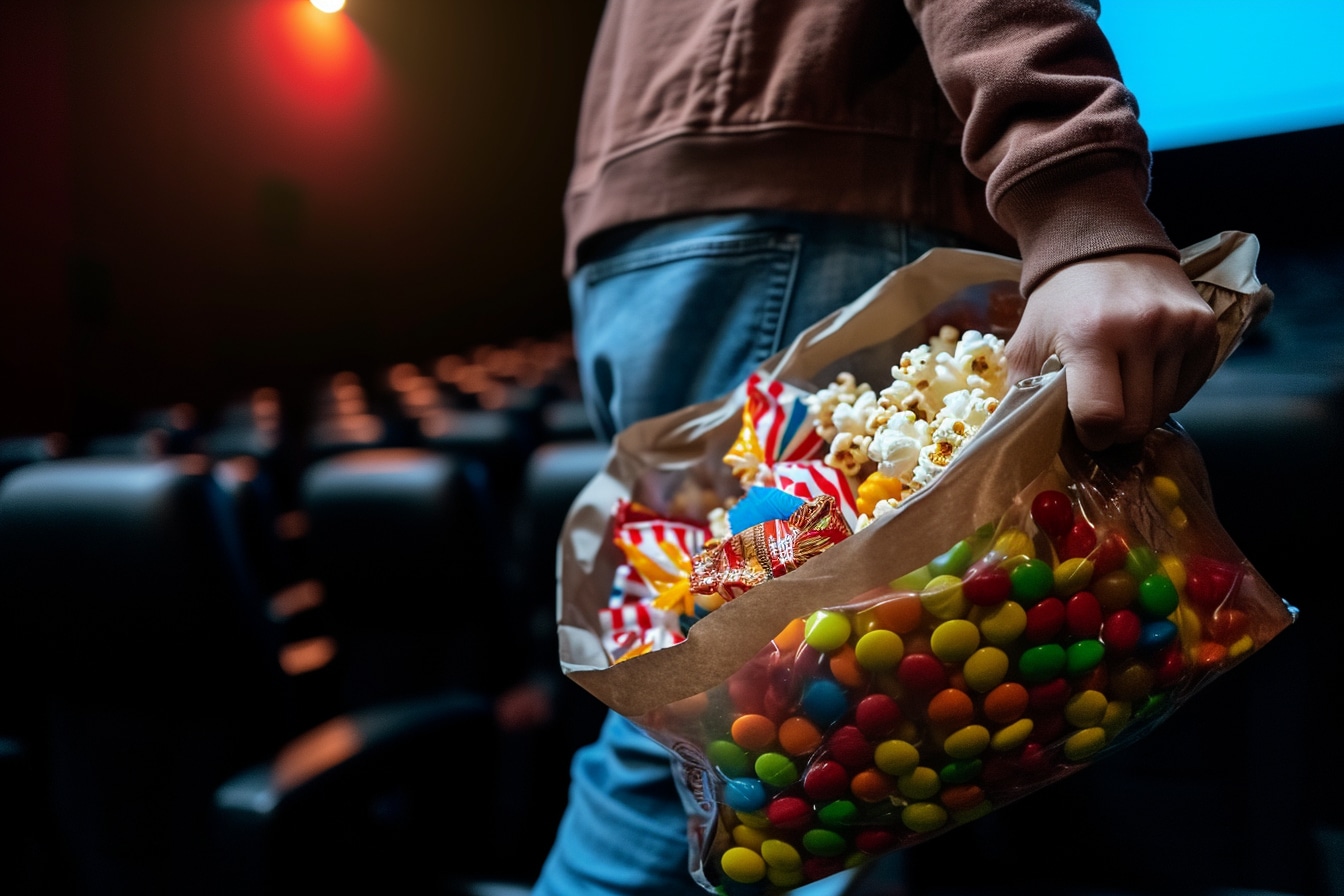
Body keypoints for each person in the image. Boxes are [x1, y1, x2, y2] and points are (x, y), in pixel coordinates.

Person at [533, 2, 1220, 894]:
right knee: (745, 720)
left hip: (655, 220)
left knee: (821, 732)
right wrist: (1075, 195)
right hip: (818, 192)